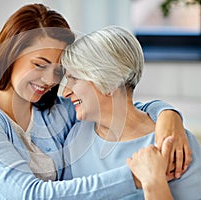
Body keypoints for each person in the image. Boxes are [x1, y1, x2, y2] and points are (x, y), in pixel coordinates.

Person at [0, 4, 191, 199]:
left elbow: (117, 103)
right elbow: (27, 194)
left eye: (59, 70)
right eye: (39, 64)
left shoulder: (57, 112)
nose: (50, 80)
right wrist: (136, 177)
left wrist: (168, 115)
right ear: (10, 55)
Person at [61, 25, 201, 199]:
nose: (65, 92)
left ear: (108, 82)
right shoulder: (76, 137)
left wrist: (154, 184)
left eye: (74, 79)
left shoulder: (174, 144)